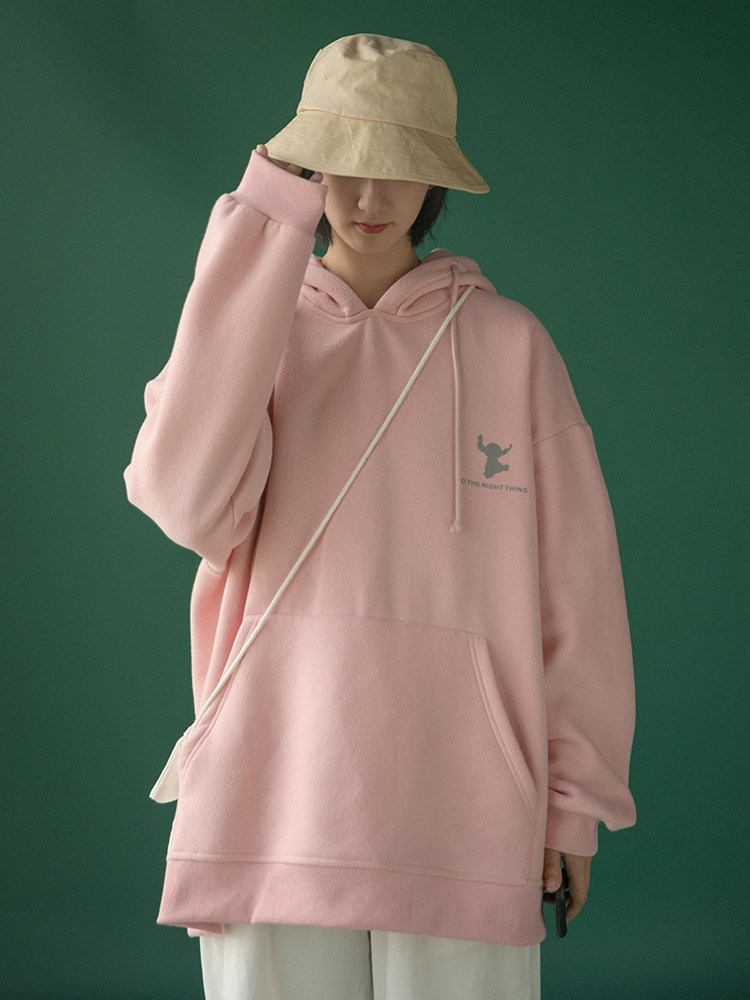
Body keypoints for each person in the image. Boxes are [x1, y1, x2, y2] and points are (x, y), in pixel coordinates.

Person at [124, 33, 636, 1000]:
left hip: (466, 804)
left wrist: (573, 803)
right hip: (270, 790)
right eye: (343, 163)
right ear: (308, 170)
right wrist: (260, 224)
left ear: (435, 176)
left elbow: (580, 595)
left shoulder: (511, 346)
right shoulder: (258, 339)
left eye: (397, 165)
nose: (368, 196)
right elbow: (184, 503)